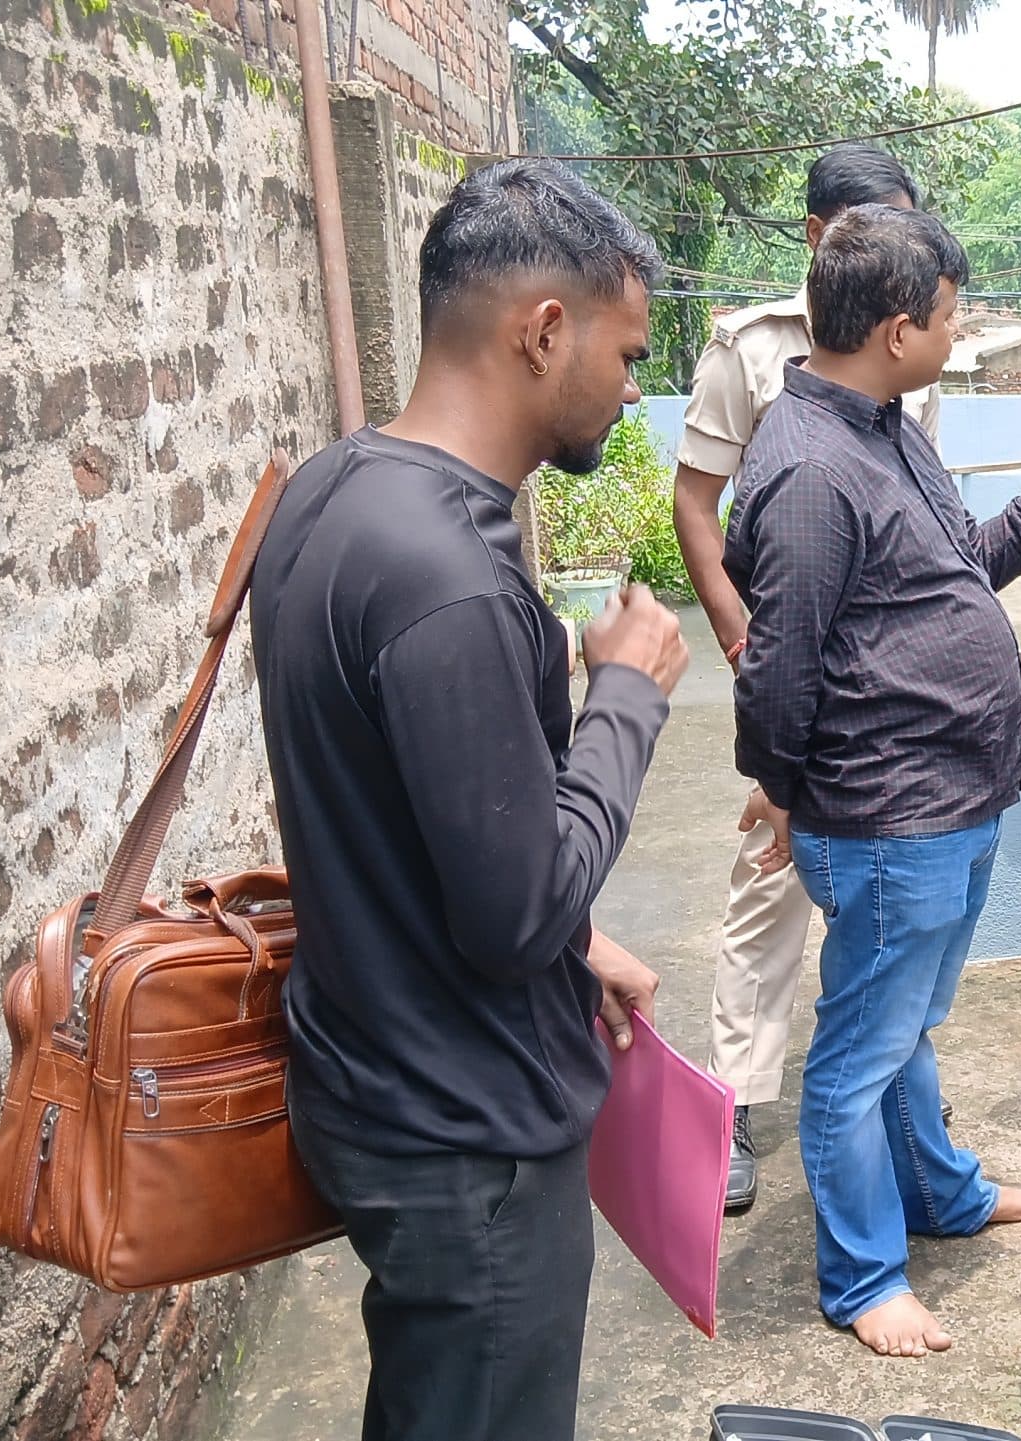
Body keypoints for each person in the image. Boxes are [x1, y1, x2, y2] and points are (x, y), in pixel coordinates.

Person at [250, 158, 687, 1441]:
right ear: (543, 331)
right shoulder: (448, 578)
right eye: (625, 349)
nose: (632, 384)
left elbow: (412, 818)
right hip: (467, 1142)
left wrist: (575, 943)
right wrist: (626, 697)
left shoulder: (332, 491)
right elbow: (509, 913)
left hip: (380, 1080)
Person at [722, 204, 1021, 1359]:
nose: (959, 333)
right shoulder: (804, 470)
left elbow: (965, 566)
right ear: (899, 328)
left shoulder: (885, 428)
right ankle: (862, 1277)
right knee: (854, 1058)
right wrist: (779, 785)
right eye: (951, 317)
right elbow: (777, 662)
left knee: (907, 1021)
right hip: (888, 812)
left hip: (950, 798)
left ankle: (940, 1193)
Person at [668, 141, 942, 1214]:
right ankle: (732, 1101)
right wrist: (747, 647)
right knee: (770, 881)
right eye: (867, 225)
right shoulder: (751, 348)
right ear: (815, 233)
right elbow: (697, 505)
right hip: (789, 656)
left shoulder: (912, 331)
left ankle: (907, 1109)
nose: (888, 249)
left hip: (881, 677)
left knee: (894, 890)